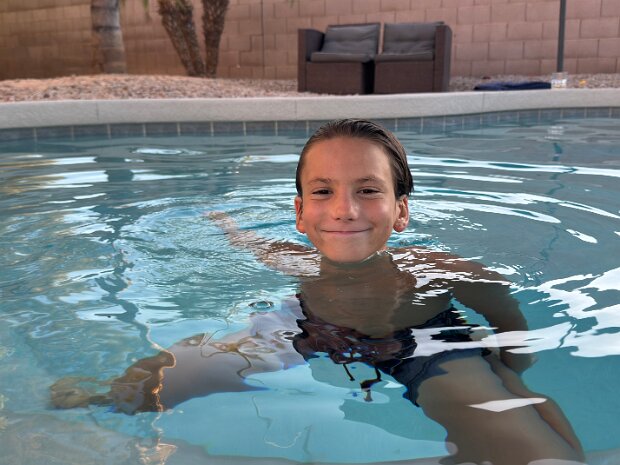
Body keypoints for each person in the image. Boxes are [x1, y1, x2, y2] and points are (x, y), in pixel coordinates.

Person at [52, 119, 585, 465]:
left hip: (425, 342)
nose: (344, 210)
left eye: (368, 190)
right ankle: (103, 398)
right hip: (312, 329)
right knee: (176, 371)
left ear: (401, 211)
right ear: (301, 212)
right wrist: (226, 227)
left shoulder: (438, 269)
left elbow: (507, 316)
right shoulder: (297, 259)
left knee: (523, 445)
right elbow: (254, 245)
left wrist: (510, 369)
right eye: (323, 191)